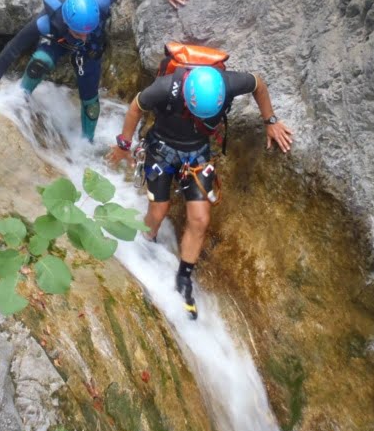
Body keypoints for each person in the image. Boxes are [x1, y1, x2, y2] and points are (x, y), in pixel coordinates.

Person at [107, 64, 293, 319]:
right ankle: (146, 247)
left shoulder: (228, 83)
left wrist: (270, 121)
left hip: (197, 155)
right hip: (161, 149)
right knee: (159, 210)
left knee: (200, 219)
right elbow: (136, 106)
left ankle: (183, 278)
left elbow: (258, 83)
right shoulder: (165, 87)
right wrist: (124, 145)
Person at [0, 0, 191, 141]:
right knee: (39, 62)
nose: (82, 36)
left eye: (86, 29)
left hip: (90, 50)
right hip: (58, 41)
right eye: (78, 32)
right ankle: (21, 96)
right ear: (66, 22)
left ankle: (86, 144)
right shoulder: (48, 22)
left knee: (90, 103)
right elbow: (13, 47)